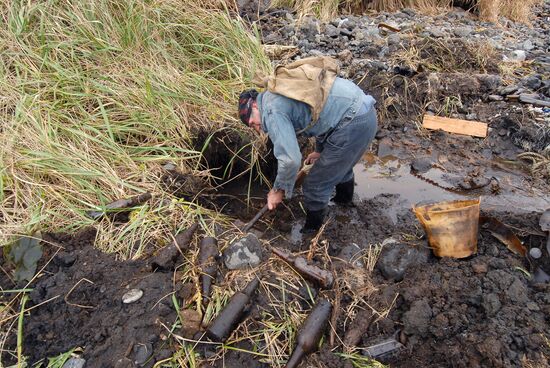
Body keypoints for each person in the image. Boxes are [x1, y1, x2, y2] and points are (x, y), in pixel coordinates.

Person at [238, 77, 377, 233]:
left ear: (255, 105)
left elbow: (290, 160)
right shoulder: (278, 90)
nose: (258, 129)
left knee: (314, 184)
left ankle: (311, 233)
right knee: (340, 165)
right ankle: (344, 205)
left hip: (353, 123)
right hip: (364, 112)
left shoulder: (270, 111)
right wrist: (319, 150)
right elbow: (318, 115)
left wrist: (278, 190)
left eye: (253, 123)